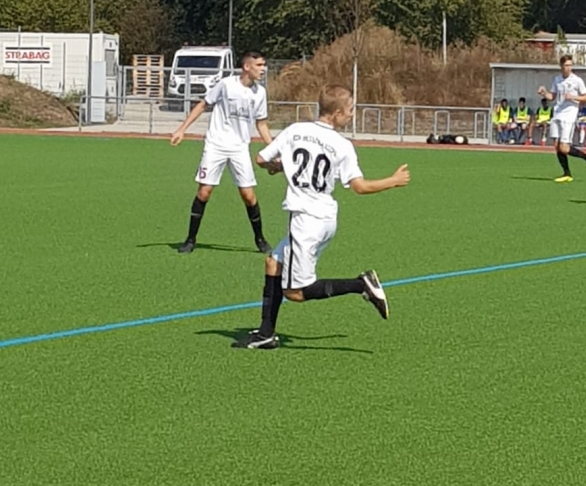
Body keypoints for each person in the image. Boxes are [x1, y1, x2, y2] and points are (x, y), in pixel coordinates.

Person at [234, 85, 410, 349]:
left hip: (306, 221)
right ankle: (266, 334)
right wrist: (393, 181)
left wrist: (280, 167)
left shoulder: (295, 130)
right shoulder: (342, 145)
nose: (352, 114)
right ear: (337, 113)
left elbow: (260, 159)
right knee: (273, 263)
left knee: (295, 293)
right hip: (323, 217)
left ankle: (360, 285)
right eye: (350, 110)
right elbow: (360, 187)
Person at [170, 51, 273, 254]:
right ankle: (190, 239)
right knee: (204, 192)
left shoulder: (260, 92)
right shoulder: (226, 85)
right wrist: (182, 129)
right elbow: (203, 105)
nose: (263, 69)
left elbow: (261, 124)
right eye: (259, 65)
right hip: (215, 145)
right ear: (247, 67)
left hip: (239, 148)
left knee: (248, 196)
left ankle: (260, 239)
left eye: (264, 65)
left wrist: (273, 150)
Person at [537, 55, 586, 183]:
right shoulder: (557, 79)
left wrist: (573, 97)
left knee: (564, 147)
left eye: (570, 65)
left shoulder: (577, 80)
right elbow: (552, 96)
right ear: (561, 66)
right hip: (557, 114)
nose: (568, 68)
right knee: (556, 146)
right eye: (566, 65)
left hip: (569, 116)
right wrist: (544, 93)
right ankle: (567, 173)